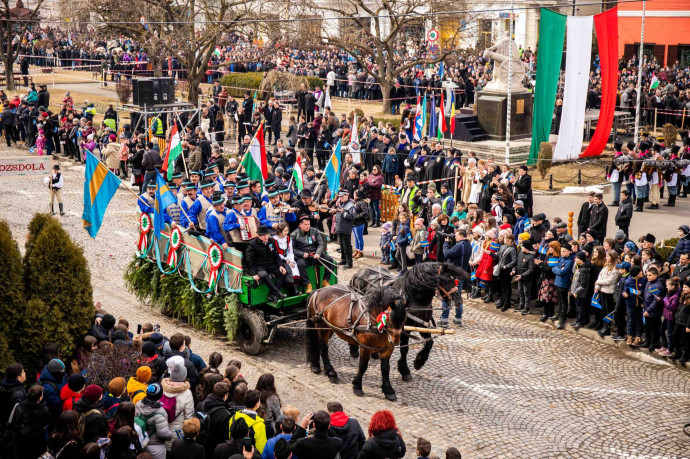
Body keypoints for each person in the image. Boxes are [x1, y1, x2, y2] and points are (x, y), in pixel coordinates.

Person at [245, 226, 289, 303]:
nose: (265, 237)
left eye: (266, 234)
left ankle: (272, 295)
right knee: (264, 274)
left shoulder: (271, 241)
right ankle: (277, 293)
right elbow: (249, 260)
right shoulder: (252, 244)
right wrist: (254, 274)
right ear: (258, 236)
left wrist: (280, 265)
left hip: (270, 265)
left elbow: (276, 255)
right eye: (263, 235)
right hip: (259, 267)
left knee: (282, 273)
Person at [9, 385, 51, 459]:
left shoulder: (19, 406)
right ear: (40, 398)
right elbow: (47, 422)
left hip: (21, 441)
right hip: (37, 443)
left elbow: (11, 422)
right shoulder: (44, 411)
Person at [135, 383, 173, 459]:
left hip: (140, 444)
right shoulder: (160, 412)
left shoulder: (138, 404)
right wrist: (171, 435)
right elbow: (163, 434)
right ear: (160, 395)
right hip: (156, 448)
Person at [229, 390, 267, 454]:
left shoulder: (234, 417)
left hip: (233, 454)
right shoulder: (259, 425)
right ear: (257, 404)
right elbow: (261, 448)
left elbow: (230, 437)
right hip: (250, 455)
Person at [551, 245, 575, 330]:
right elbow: (554, 268)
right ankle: (558, 314)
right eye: (561, 251)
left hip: (563, 283)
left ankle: (562, 317)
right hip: (557, 282)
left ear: (569, 251)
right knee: (560, 300)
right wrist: (558, 270)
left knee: (564, 301)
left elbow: (562, 272)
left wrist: (558, 270)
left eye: (564, 251)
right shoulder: (561, 258)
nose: (562, 253)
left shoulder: (570, 261)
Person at [332, 190, 356, 269]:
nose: (341, 198)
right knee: (342, 245)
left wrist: (343, 212)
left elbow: (352, 217)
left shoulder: (350, 205)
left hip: (346, 228)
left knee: (347, 246)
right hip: (339, 227)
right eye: (340, 197)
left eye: (342, 196)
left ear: (347, 195)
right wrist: (336, 207)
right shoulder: (341, 204)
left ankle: (349, 262)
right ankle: (343, 259)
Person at [624, 265, 646, 346]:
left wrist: (641, 292)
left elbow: (646, 290)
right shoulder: (628, 281)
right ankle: (629, 335)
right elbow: (625, 290)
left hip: (640, 304)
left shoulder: (643, 280)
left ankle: (638, 336)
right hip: (630, 304)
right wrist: (625, 294)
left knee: (638, 320)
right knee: (630, 320)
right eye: (640, 272)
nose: (641, 272)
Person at [569, 251, 591, 329]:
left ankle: (580, 322)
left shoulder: (584, 270)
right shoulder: (579, 267)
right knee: (578, 307)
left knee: (580, 307)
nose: (575, 259)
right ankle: (578, 320)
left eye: (577, 258)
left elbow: (583, 284)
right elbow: (575, 280)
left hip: (580, 293)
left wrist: (576, 292)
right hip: (576, 292)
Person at [513, 239, 535, 315]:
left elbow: (531, 269)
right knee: (520, 291)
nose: (521, 248)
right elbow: (517, 264)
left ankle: (527, 307)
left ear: (527, 248)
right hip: (519, 276)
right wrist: (514, 270)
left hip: (526, 278)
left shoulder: (531, 257)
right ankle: (521, 304)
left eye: (523, 247)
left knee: (526, 292)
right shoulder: (520, 253)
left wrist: (522, 275)